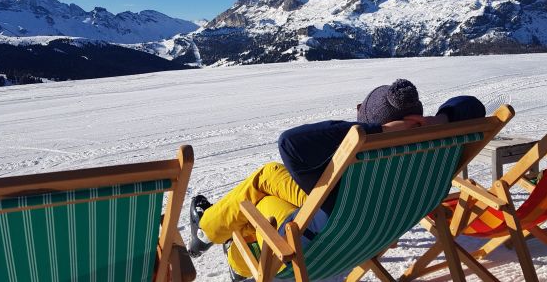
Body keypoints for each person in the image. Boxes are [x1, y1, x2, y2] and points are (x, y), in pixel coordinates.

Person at [188, 79, 485, 280]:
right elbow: (471, 105)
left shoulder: (353, 179)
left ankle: (221, 245)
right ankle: (207, 230)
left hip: (326, 236)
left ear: (370, 123)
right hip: (374, 228)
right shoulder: (437, 152)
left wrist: (379, 132)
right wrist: (440, 120)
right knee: (267, 174)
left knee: (261, 204)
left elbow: (292, 143)